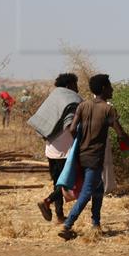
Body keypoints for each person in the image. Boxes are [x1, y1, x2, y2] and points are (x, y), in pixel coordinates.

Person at [58, 74, 129, 241]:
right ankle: (67, 224)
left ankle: (96, 224)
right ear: (103, 88)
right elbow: (121, 134)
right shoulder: (108, 109)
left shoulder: (83, 106)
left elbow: (72, 129)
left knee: (98, 189)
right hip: (95, 157)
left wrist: (82, 143)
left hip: (82, 154)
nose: (112, 89)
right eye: (110, 86)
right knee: (87, 192)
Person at [32, 73, 82, 224]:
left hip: (51, 149)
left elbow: (43, 123)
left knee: (57, 182)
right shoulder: (70, 100)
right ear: (68, 86)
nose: (77, 88)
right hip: (65, 149)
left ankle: (59, 216)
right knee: (67, 182)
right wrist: (79, 144)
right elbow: (70, 126)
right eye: (75, 85)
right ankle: (47, 201)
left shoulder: (52, 99)